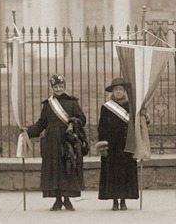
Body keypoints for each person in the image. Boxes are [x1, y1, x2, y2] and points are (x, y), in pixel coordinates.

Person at [27, 74, 87, 211]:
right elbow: (42, 123)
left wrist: (73, 122)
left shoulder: (73, 102)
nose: (58, 89)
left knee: (67, 167)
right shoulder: (48, 104)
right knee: (54, 169)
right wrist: (28, 131)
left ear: (64, 87)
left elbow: (82, 119)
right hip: (51, 141)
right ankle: (57, 200)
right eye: (56, 87)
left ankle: (67, 200)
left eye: (61, 86)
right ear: (52, 88)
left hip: (68, 139)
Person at [97, 77, 138, 211]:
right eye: (116, 90)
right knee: (113, 174)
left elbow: (137, 125)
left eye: (121, 89)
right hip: (112, 145)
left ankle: (124, 200)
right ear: (112, 92)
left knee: (126, 173)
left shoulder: (131, 106)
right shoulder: (106, 107)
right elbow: (101, 127)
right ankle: (115, 201)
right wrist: (103, 145)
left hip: (126, 144)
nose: (118, 92)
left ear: (124, 91)